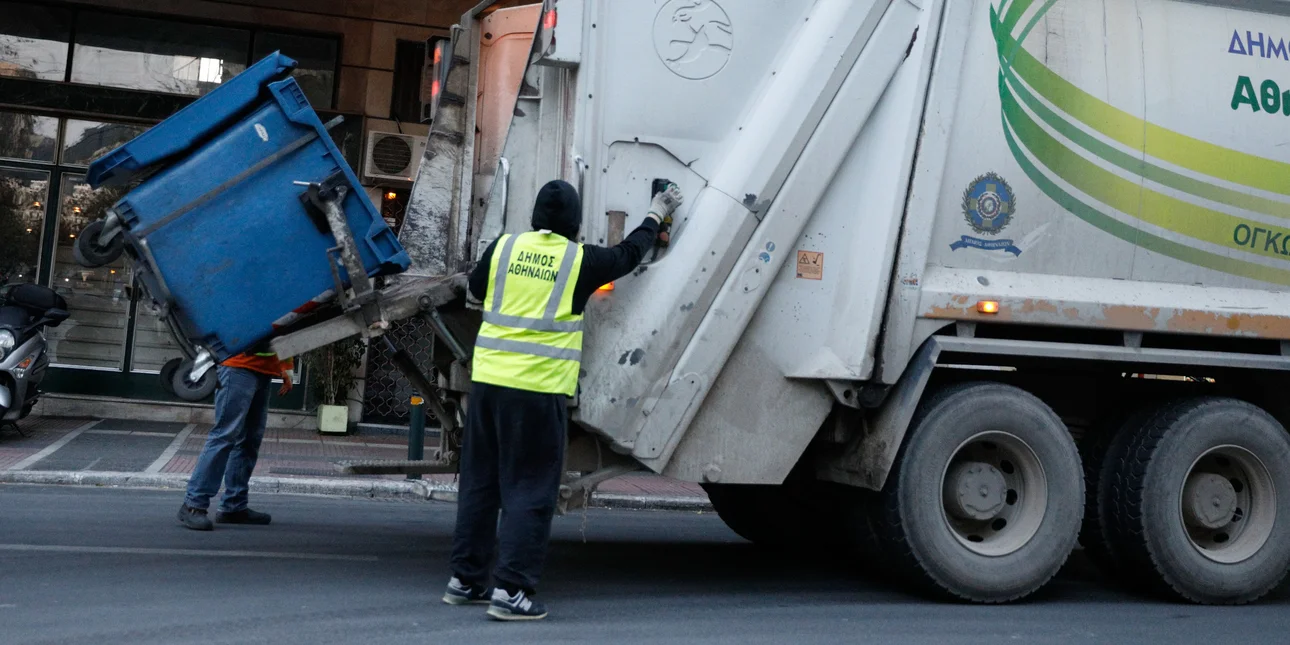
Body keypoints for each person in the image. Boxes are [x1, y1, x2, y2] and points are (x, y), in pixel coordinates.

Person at [444, 179, 683, 621]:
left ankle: (465, 580)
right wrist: (656, 213)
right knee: (529, 490)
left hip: (488, 386)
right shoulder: (579, 261)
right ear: (575, 224)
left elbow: (474, 290)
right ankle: (511, 591)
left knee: (481, 483)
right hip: (537, 392)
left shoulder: (504, 248)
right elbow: (629, 255)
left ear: (535, 217)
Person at [177, 349, 293, 531]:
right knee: (224, 435)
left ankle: (234, 506)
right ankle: (193, 505)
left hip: (263, 370)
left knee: (249, 440)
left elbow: (281, 330)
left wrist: (286, 367)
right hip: (237, 366)